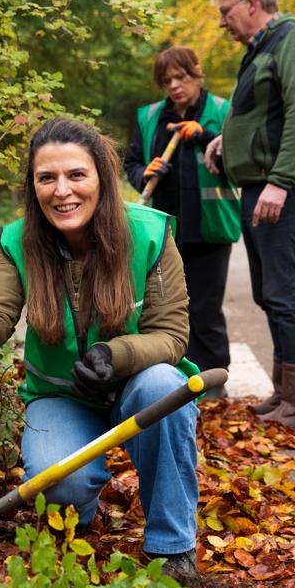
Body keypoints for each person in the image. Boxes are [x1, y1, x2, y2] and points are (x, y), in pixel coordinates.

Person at [0, 117, 201, 575]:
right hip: (61, 399)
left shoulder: (150, 234)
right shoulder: (19, 241)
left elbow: (171, 335)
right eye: (46, 178)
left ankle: (172, 548)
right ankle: (81, 505)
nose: (62, 191)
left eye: (76, 175)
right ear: (33, 187)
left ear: (102, 179)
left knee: (165, 387)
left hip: (134, 387)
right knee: (60, 487)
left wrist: (116, 356)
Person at [204, 0, 295, 429]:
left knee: (285, 291)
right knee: (269, 292)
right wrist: (224, 141)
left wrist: (280, 180)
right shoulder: (262, 48)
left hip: (286, 187)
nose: (222, 23)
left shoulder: (293, 39)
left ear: (252, 3)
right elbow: (258, 113)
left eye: (226, 11)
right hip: (260, 183)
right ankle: (285, 393)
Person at [125, 47, 240, 395]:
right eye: (167, 81)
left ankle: (213, 382)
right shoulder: (148, 118)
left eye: (182, 77)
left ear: (197, 73)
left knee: (206, 308)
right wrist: (143, 173)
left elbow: (239, 160)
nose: (175, 86)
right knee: (165, 308)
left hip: (211, 227)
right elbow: (131, 163)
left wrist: (205, 136)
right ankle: (172, 382)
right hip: (163, 231)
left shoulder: (221, 112)